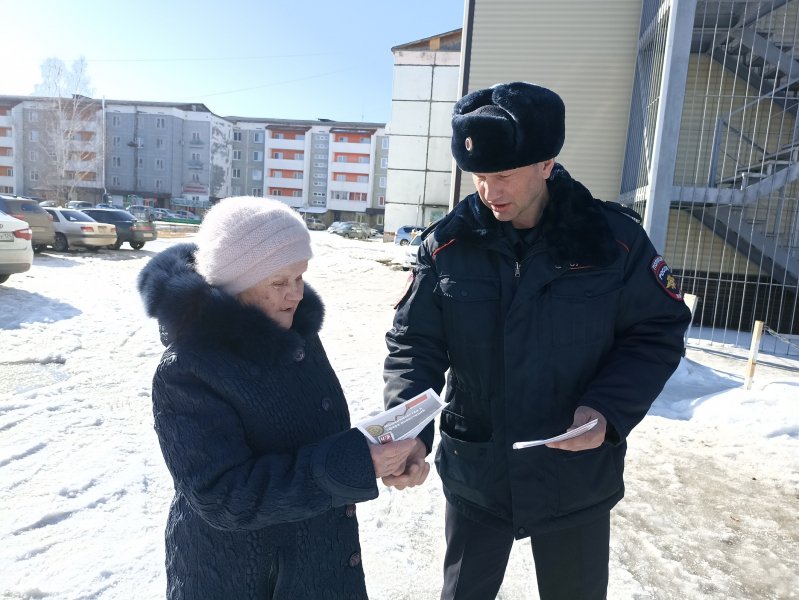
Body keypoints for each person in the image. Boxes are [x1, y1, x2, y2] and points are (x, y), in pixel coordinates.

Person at [381, 82, 693, 600]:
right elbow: (415, 345)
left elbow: (655, 332)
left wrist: (607, 411)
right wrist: (409, 427)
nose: (488, 192)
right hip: (477, 467)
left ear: (546, 164)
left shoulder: (612, 242)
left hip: (574, 472)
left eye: (502, 176)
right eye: (479, 177)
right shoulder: (448, 246)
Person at [137, 196, 420, 600]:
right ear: (235, 284)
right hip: (245, 581)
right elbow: (223, 496)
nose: (296, 294)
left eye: (300, 277)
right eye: (278, 283)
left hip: (320, 565)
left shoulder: (294, 335)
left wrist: (380, 452)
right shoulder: (187, 371)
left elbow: (314, 437)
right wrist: (354, 464)